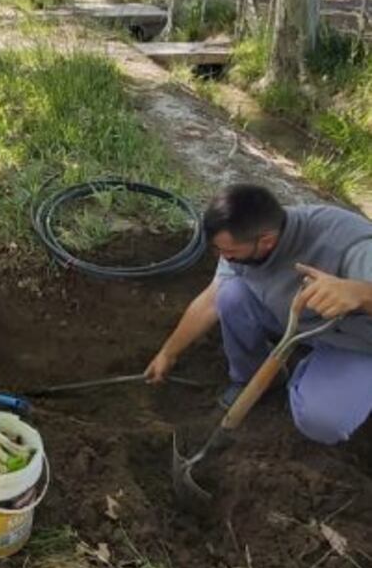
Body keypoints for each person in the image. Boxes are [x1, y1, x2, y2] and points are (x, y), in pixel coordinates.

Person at [145, 184, 372, 445]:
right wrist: (168, 352)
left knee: (321, 422)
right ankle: (256, 378)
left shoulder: (347, 242)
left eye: (229, 252)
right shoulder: (243, 237)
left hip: (359, 342)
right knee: (231, 295)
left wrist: (360, 292)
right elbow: (210, 301)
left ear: (266, 241)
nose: (223, 258)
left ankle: (323, 382)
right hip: (301, 321)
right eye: (219, 251)